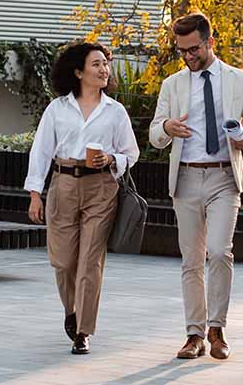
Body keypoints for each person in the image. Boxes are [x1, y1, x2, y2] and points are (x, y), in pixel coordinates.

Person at [148, 12, 243, 360]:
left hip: (223, 177)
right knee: (191, 261)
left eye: (194, 49)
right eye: (182, 51)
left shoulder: (238, 80)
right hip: (185, 177)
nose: (188, 56)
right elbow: (154, 133)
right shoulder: (172, 85)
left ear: (210, 42)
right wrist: (168, 127)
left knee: (219, 251)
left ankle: (217, 328)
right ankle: (194, 334)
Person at [24, 42, 140, 355]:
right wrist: (35, 194)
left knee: (91, 261)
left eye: (106, 64)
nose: (104, 70)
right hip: (62, 184)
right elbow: (41, 152)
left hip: (101, 188)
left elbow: (131, 152)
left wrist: (112, 159)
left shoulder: (115, 111)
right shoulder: (57, 109)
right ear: (78, 72)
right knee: (62, 262)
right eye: (96, 64)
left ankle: (83, 331)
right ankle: (71, 311)